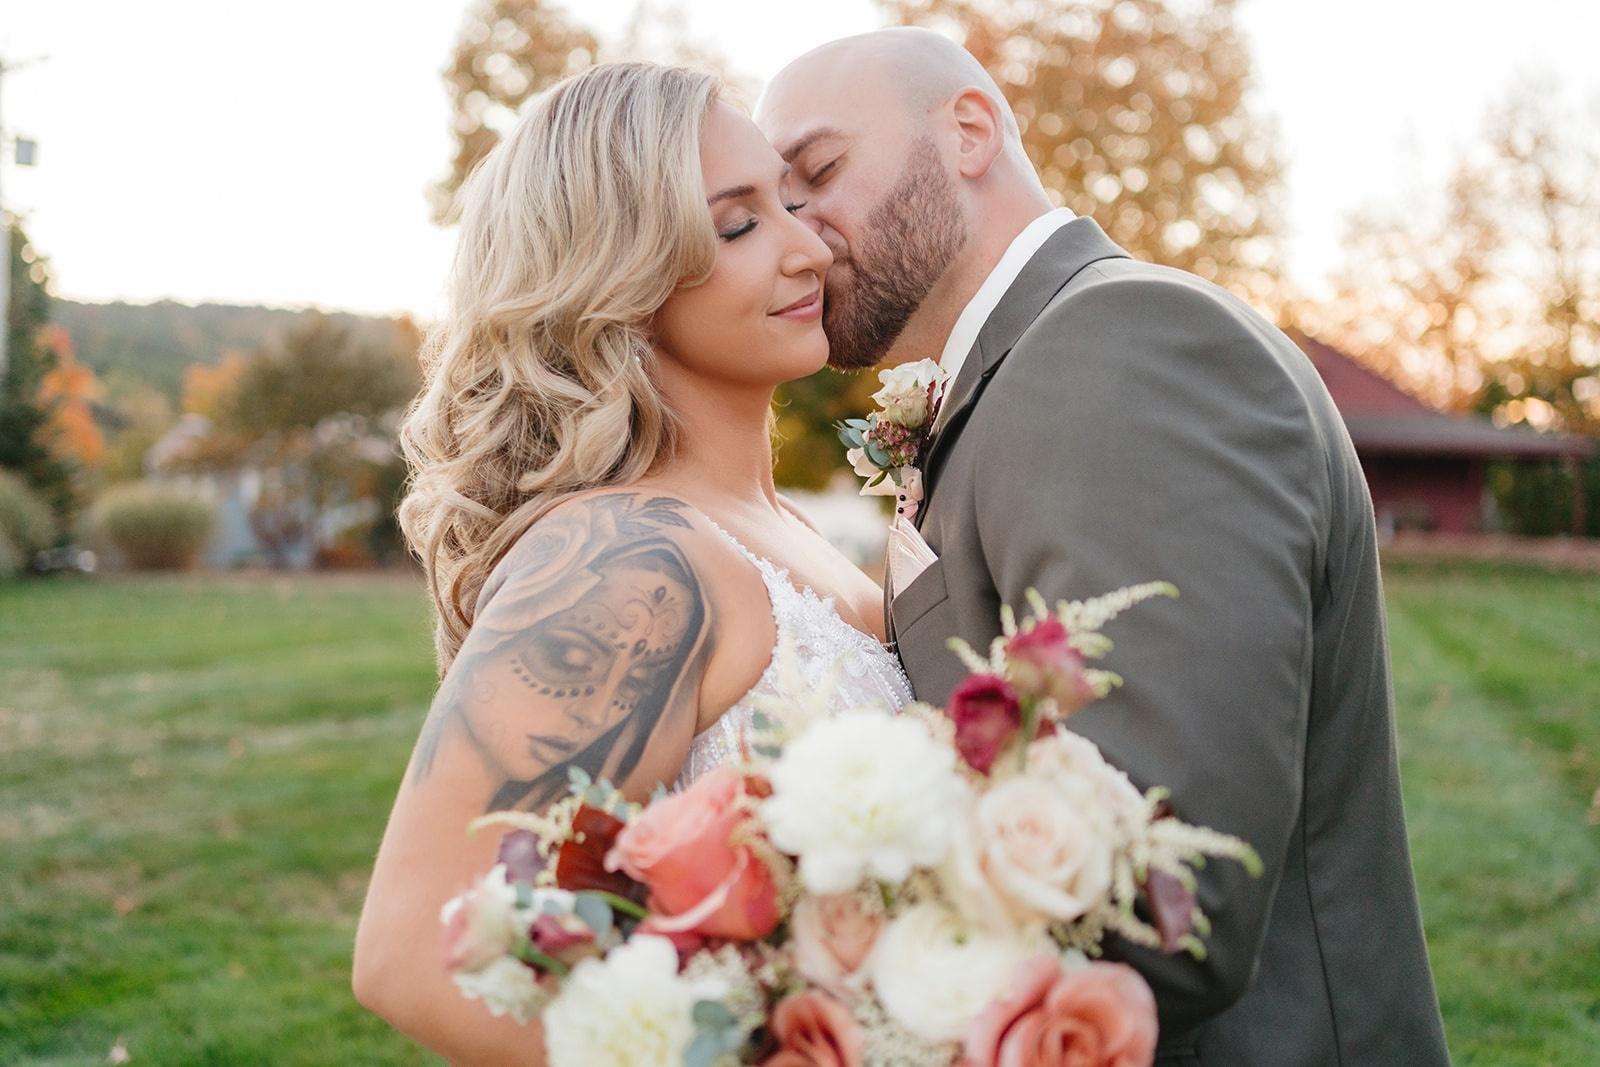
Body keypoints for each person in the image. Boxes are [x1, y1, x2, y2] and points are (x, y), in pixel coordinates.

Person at [755, 27, 1450, 1066]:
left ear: (969, 131)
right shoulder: (1023, 374)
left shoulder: (1124, 347)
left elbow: (1167, 899)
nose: (799, 240)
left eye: (816, 175)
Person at [351, 62, 912, 1064]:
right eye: (736, 226)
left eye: (790, 203)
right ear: (621, 279)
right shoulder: (626, 558)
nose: (807, 246)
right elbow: (415, 955)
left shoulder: (781, 527)